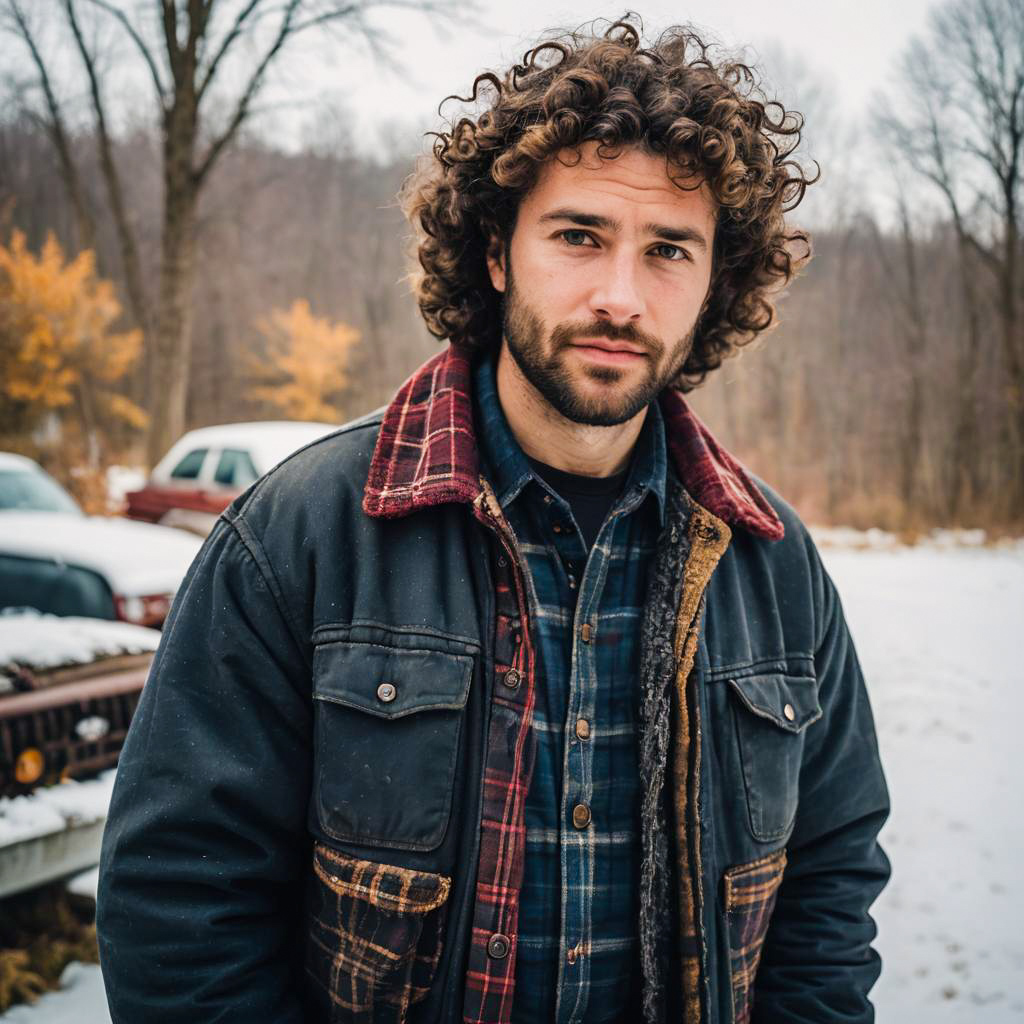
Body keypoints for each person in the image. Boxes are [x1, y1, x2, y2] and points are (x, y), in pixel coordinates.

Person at [97, 18, 890, 1024]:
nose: (620, 295)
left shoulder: (770, 563)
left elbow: (828, 881)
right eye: (578, 235)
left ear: (711, 282)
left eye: (667, 252)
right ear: (497, 251)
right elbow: (181, 906)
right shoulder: (299, 533)